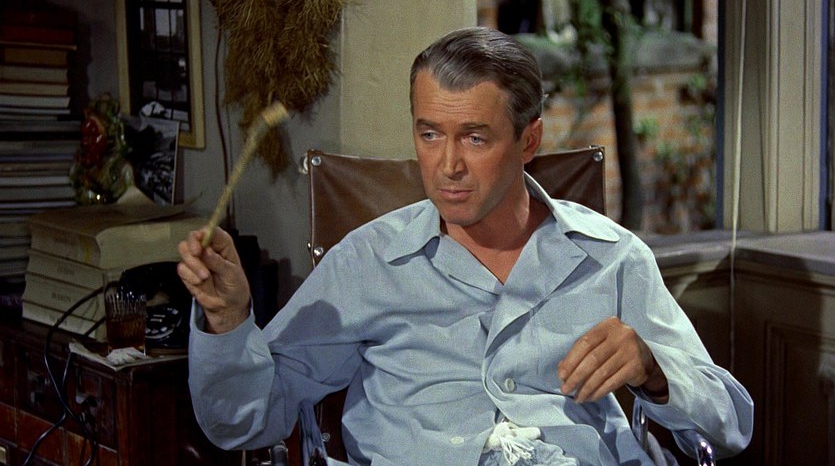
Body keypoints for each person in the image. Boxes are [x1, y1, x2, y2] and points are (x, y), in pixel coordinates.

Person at [178, 27, 753, 466]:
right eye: (430, 134)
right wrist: (228, 321)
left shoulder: (613, 258)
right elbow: (244, 419)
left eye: (475, 138)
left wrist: (654, 371)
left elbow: (729, 427)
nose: (447, 165)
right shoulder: (367, 262)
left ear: (529, 140)